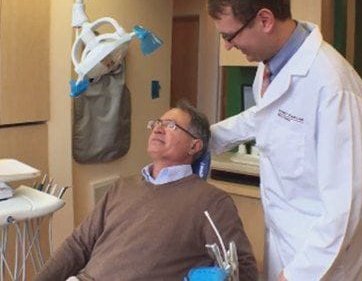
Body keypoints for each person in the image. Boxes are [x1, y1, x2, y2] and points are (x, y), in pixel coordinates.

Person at [207, 0, 362, 280]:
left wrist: (299, 273)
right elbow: (261, 116)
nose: (229, 46)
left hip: (322, 253)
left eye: (230, 36)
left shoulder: (332, 86)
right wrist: (206, 138)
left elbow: (347, 203)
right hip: (284, 232)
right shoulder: (270, 67)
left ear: (265, 19)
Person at [35, 100, 258, 281]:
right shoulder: (122, 187)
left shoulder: (210, 202)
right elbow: (78, 245)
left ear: (194, 146)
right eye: (156, 123)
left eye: (171, 126)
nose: (158, 129)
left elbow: (242, 269)